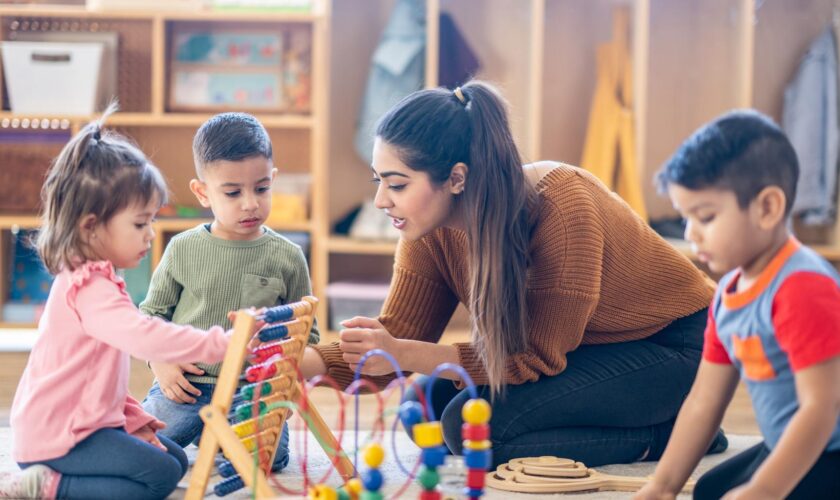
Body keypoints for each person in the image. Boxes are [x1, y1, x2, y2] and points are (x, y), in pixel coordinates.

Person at [299, 80, 726, 467]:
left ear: (456, 178)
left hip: (679, 347)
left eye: (396, 185)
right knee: (425, 409)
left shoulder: (561, 209)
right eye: (379, 181)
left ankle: (673, 435)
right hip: (587, 347)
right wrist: (305, 363)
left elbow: (534, 357)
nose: (379, 201)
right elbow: (395, 337)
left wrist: (404, 352)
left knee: (475, 433)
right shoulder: (428, 230)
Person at [1, 106, 233, 500]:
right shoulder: (89, 288)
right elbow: (145, 337)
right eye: (140, 224)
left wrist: (133, 419)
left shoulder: (99, 277)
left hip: (83, 423)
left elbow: (95, 378)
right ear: (91, 226)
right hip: (59, 437)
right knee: (158, 479)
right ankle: (46, 485)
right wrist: (219, 344)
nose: (150, 235)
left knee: (174, 461)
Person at [635, 111, 840, 500]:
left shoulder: (802, 287)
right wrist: (661, 486)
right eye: (686, 218)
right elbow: (704, 400)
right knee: (711, 491)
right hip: (788, 443)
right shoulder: (729, 291)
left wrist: (765, 488)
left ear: (767, 208)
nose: (691, 234)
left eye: (706, 217)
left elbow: (821, 407)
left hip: (829, 450)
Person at [140, 112, 319, 473]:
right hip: (186, 386)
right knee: (140, 449)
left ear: (274, 181)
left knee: (266, 461)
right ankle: (206, 431)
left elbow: (307, 335)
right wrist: (161, 362)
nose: (250, 203)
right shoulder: (182, 248)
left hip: (251, 393)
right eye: (233, 192)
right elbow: (149, 317)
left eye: (262, 188)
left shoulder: (288, 256)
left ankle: (217, 436)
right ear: (203, 192)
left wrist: (278, 377)